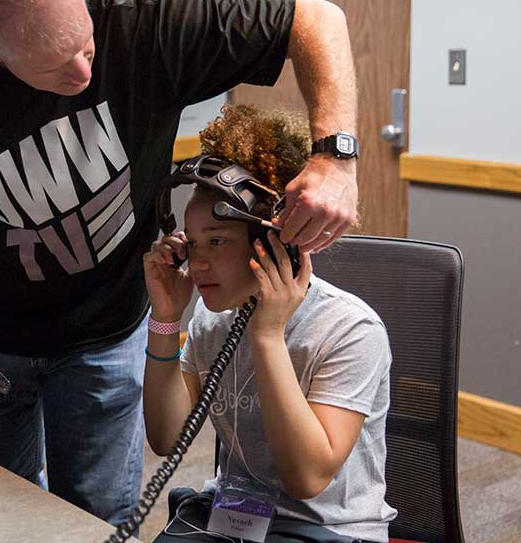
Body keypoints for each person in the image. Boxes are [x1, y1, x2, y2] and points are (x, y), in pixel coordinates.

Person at [0, 0, 359, 527]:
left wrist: (336, 157)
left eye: (86, 45)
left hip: (106, 325)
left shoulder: (143, 16)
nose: (82, 73)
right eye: (53, 66)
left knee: (95, 517)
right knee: (0, 520)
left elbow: (316, 18)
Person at [143, 105, 394, 542]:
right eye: (193, 243)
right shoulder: (212, 317)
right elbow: (167, 438)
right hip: (235, 521)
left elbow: (306, 478)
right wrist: (165, 317)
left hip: (328, 530)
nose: (197, 263)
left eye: (218, 241)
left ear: (275, 242)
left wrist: (267, 334)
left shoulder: (351, 331)